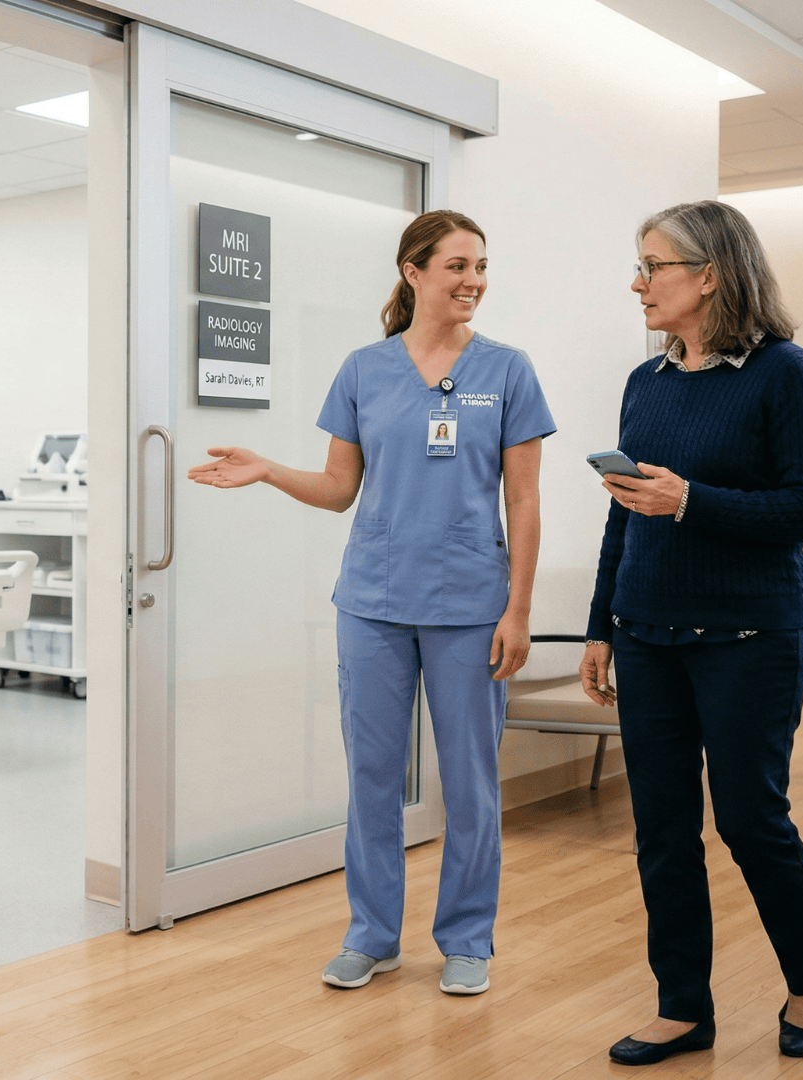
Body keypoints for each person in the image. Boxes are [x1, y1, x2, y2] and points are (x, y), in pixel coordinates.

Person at [189, 210, 555, 997]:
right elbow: (337, 489)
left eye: (481, 266)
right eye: (457, 266)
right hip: (374, 603)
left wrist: (519, 610)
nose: (474, 281)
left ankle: (467, 939)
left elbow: (523, 500)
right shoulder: (364, 370)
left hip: (471, 606)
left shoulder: (507, 371)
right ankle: (372, 934)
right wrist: (268, 470)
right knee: (373, 778)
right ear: (413, 272)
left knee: (471, 783)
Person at [579, 200, 803, 1065]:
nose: (638, 283)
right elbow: (625, 515)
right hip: (646, 633)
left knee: (751, 821)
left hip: (748, 637)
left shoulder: (784, 373)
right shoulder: (645, 382)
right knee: (661, 828)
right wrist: (600, 627)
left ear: (711, 275)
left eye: (652, 266)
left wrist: (690, 500)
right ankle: (683, 1006)